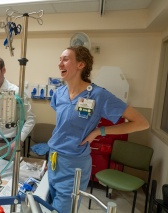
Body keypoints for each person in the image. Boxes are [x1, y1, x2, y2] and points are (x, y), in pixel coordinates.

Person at [47, 45, 149, 212]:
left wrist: (100, 131)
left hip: (74, 164)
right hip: (53, 158)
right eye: (59, 60)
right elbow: (64, 125)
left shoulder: (98, 95)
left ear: (81, 65)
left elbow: (141, 122)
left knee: (62, 209)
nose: (60, 64)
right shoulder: (59, 93)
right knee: (48, 203)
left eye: (65, 59)